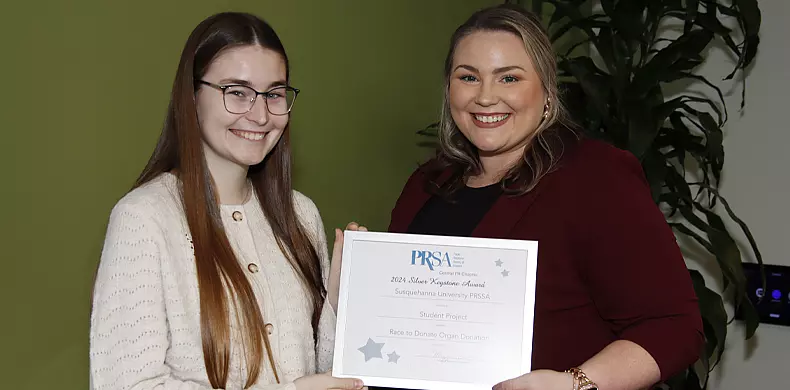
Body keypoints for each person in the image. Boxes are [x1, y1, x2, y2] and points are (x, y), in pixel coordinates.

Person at [387, 4, 704, 390]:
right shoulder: (426, 183)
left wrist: (576, 383)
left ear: (547, 91)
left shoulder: (596, 178)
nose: (485, 97)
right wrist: (350, 292)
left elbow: (673, 326)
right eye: (468, 77)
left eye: (509, 78)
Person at [89, 12, 365, 390]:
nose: (260, 114)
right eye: (237, 92)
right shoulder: (143, 218)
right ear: (191, 97)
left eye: (274, 94)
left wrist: (336, 303)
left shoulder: (301, 214)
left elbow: (321, 372)